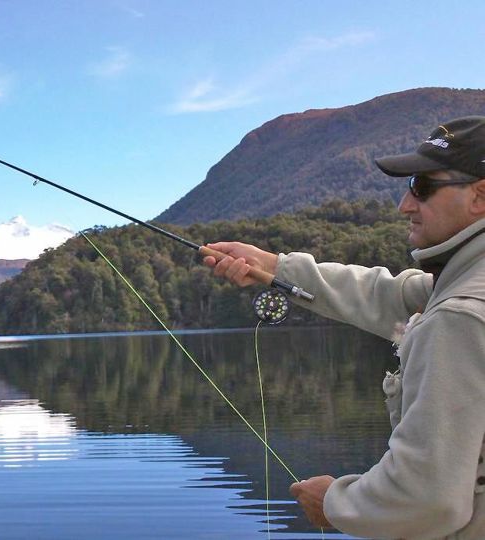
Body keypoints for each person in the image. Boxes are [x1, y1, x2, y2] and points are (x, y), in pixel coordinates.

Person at [204, 116, 485, 539]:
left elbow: (428, 500)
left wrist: (335, 503)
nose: (405, 205)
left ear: (480, 195)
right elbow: (393, 295)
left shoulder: (459, 316)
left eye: (422, 187)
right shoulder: (463, 286)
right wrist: (276, 267)